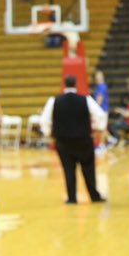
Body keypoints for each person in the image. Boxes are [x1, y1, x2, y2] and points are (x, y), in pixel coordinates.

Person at [39, 75, 107, 204]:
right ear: (76, 84)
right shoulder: (86, 99)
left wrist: (49, 135)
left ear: (64, 85)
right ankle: (94, 196)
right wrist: (98, 131)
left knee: (68, 169)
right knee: (88, 168)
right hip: (83, 140)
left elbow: (44, 120)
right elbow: (100, 115)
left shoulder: (54, 101)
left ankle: (71, 198)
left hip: (63, 141)